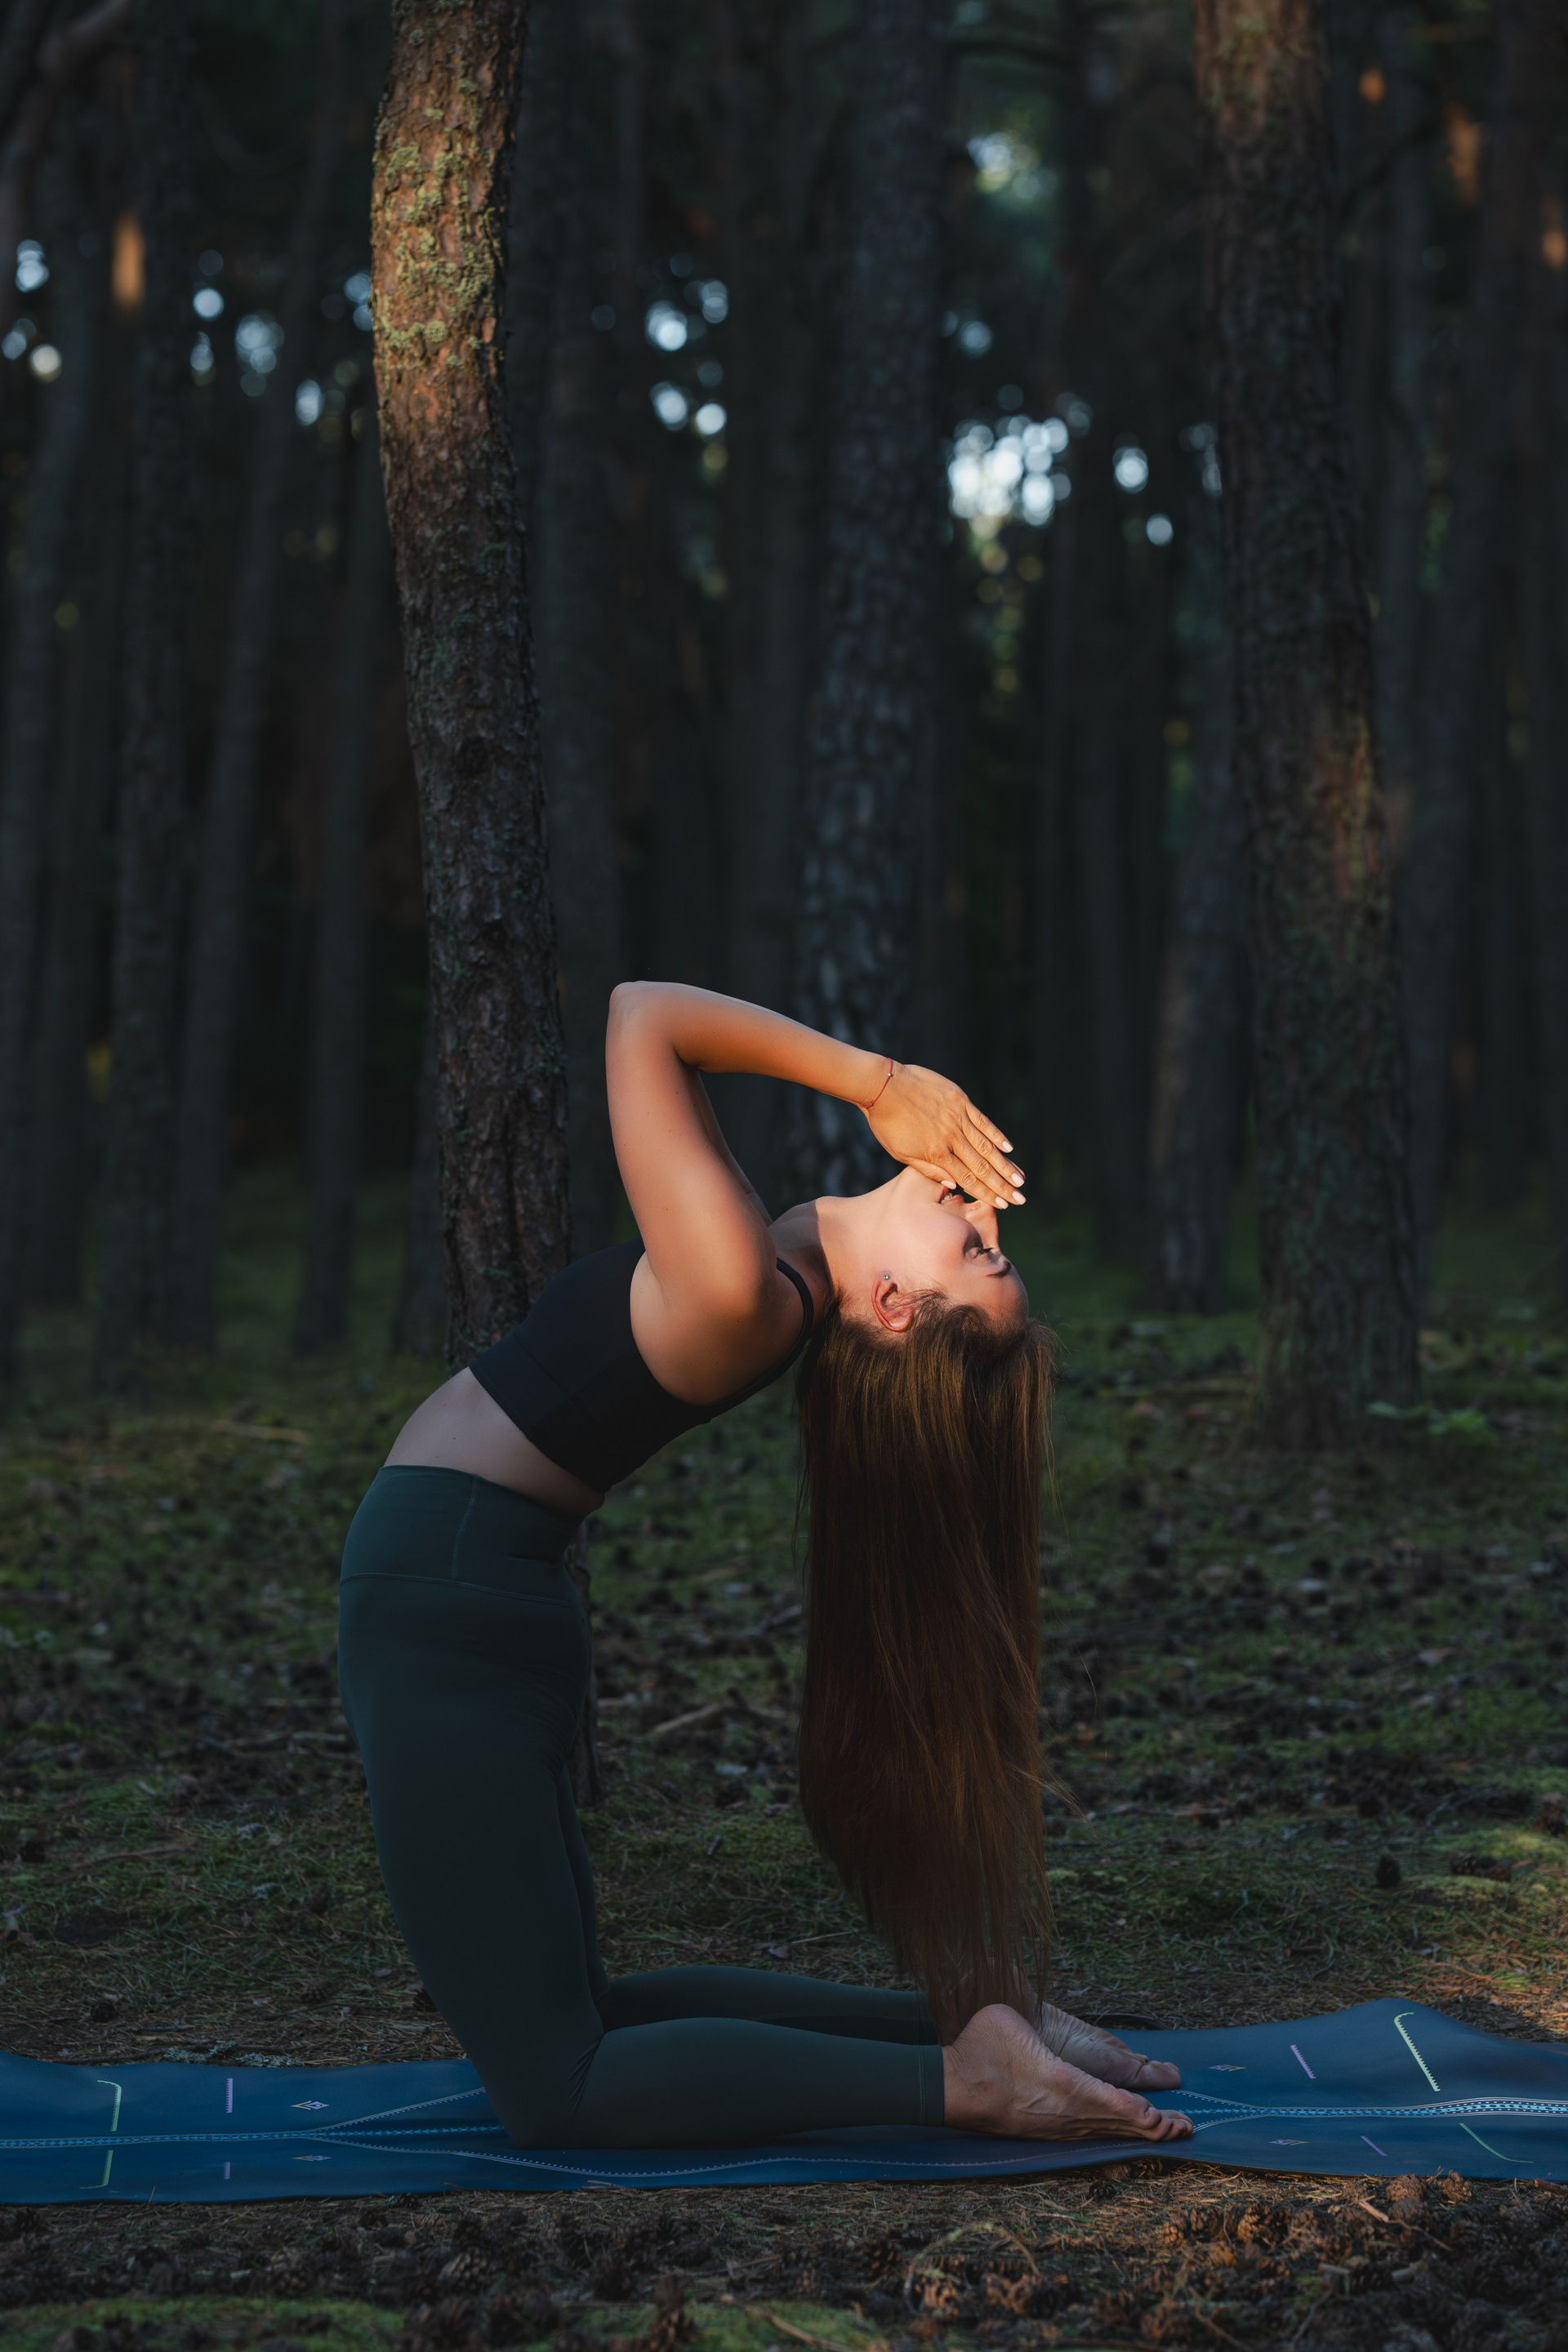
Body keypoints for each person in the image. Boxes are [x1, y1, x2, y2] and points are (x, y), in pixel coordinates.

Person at [338, 983, 1191, 2148]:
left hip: (444, 1610)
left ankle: (969, 2081)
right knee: (586, 2017)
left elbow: (644, 1018)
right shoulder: (773, 1269)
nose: (985, 1217)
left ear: (893, 1306)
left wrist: (880, 1085)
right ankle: (977, 2029)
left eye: (977, 1254)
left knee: (556, 2087)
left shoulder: (739, 1293)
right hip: (475, 1602)